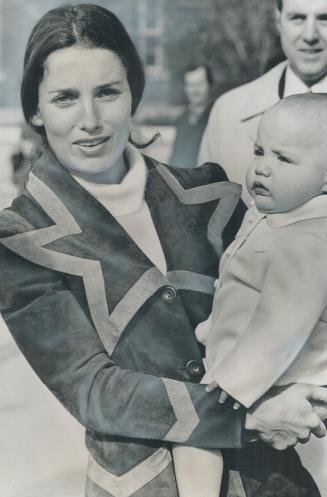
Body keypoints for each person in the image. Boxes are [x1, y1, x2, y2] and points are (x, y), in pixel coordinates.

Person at [0, 5, 326, 497]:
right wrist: (247, 417)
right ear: (36, 111)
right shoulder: (22, 238)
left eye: (107, 92)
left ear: (133, 92)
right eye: (65, 98)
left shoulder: (215, 195)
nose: (90, 120)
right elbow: (94, 389)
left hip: (272, 482)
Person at [174, 93, 327, 497]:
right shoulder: (277, 216)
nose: (262, 168)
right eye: (260, 151)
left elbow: (282, 323)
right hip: (255, 367)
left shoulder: (309, 238)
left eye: (284, 159)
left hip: (273, 376)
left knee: (198, 436)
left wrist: (234, 382)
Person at [198, 0, 327, 205]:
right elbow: (204, 213)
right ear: (278, 21)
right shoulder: (228, 111)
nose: (310, 35)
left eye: (324, 19)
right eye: (297, 18)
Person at [170, 64, 213, 168]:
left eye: (199, 84)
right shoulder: (182, 119)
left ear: (209, 84)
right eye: (190, 85)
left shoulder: (215, 116)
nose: (195, 91)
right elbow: (175, 157)